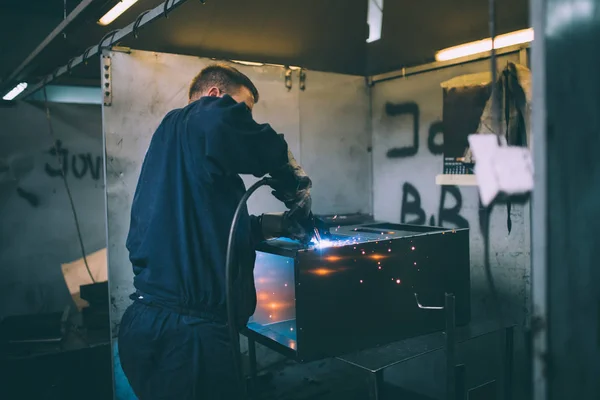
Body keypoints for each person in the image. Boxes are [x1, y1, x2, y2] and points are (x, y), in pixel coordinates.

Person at [118, 64, 313, 400]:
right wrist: (292, 178)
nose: (245, 120)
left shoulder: (178, 157)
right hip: (189, 338)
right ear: (213, 96)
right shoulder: (196, 117)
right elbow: (232, 127)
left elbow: (218, 233)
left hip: (147, 325)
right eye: (244, 109)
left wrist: (279, 224)